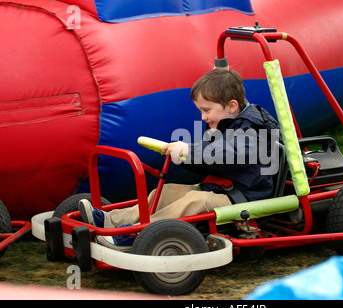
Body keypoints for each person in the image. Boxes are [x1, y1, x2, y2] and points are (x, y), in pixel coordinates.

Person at [78, 68, 280, 250]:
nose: (203, 117)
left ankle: (139, 234)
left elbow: (229, 156)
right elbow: (210, 155)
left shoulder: (253, 128)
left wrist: (189, 151)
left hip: (244, 196)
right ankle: (110, 221)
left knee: (194, 200)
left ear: (232, 106)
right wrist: (183, 155)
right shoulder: (226, 123)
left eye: (206, 110)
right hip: (220, 188)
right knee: (165, 191)